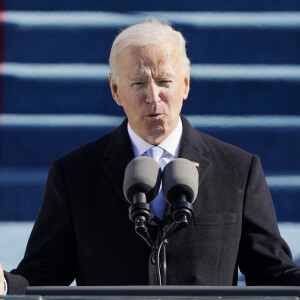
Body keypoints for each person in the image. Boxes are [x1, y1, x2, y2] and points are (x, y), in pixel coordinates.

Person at [1, 19, 300, 295]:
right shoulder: (74, 174)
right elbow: (42, 273)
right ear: (116, 90)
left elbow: (273, 273)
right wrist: (5, 284)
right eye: (139, 83)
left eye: (164, 82)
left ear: (185, 84)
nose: (153, 97)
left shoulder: (237, 171)